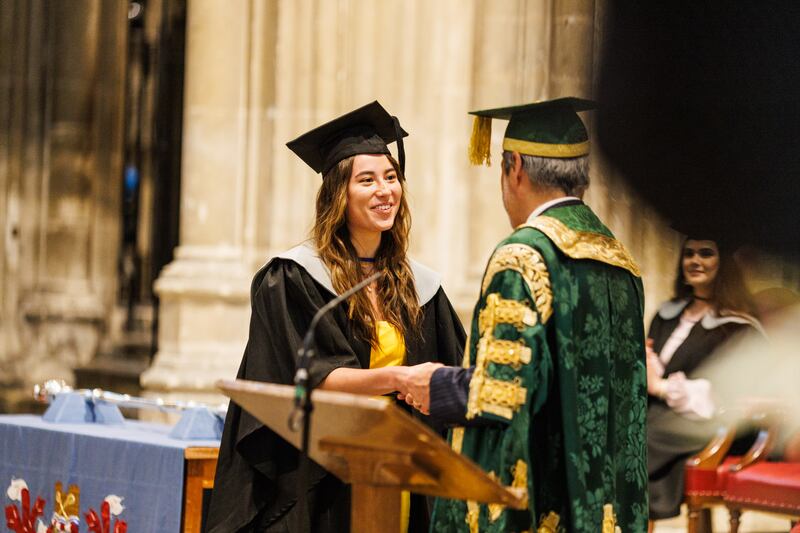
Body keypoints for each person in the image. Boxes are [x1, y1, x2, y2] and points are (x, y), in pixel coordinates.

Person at [205, 101, 466, 533]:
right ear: (337, 195)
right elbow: (317, 376)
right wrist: (402, 379)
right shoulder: (294, 277)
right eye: (367, 180)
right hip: (322, 475)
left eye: (391, 177)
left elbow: (451, 371)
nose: (385, 190)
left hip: (397, 472)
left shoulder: (419, 286)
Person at [401, 98, 649, 532]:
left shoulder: (525, 256)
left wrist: (435, 385)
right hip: (602, 506)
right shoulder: (620, 261)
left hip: (543, 502)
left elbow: (502, 395)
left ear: (514, 167)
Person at [646, 237, 762, 525]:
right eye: (689, 254)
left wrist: (660, 387)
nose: (695, 261)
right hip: (664, 414)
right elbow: (659, 366)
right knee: (623, 426)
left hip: (712, 422)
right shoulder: (667, 314)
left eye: (706, 253)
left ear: (723, 264)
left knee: (638, 438)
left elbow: (726, 394)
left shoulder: (737, 327)